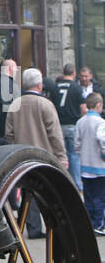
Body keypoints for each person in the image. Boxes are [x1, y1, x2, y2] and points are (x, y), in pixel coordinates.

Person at [5, 68, 68, 239]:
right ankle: (51, 225)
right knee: (48, 192)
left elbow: (9, 133)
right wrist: (62, 156)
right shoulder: (45, 104)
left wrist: (15, 147)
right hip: (44, 156)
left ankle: (33, 228)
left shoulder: (15, 103)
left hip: (22, 156)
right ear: (40, 84)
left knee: (27, 192)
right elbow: (55, 134)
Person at [74, 92, 105, 235]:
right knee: (100, 197)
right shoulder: (101, 123)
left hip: (85, 165)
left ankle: (89, 223)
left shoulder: (80, 122)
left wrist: (82, 153)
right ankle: (99, 224)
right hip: (99, 166)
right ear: (99, 105)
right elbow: (102, 139)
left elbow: (77, 144)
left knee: (89, 197)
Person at [52, 63, 84, 192]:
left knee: (60, 156)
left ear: (63, 71)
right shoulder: (77, 88)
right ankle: (76, 184)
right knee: (74, 156)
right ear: (74, 73)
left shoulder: (55, 87)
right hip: (72, 125)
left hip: (58, 126)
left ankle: (61, 184)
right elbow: (83, 109)